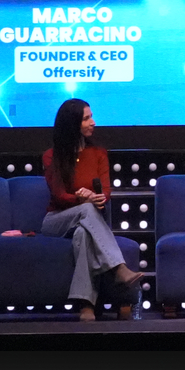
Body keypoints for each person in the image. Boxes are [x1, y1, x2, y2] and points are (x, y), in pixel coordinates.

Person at [39, 99, 145, 320]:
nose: (93, 122)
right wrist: (82, 198)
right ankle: (118, 267)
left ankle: (86, 306)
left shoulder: (98, 153)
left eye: (91, 117)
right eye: (86, 118)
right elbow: (59, 195)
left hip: (86, 221)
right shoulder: (51, 155)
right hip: (56, 220)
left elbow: (105, 191)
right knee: (87, 210)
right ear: (72, 124)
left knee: (82, 234)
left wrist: (97, 197)